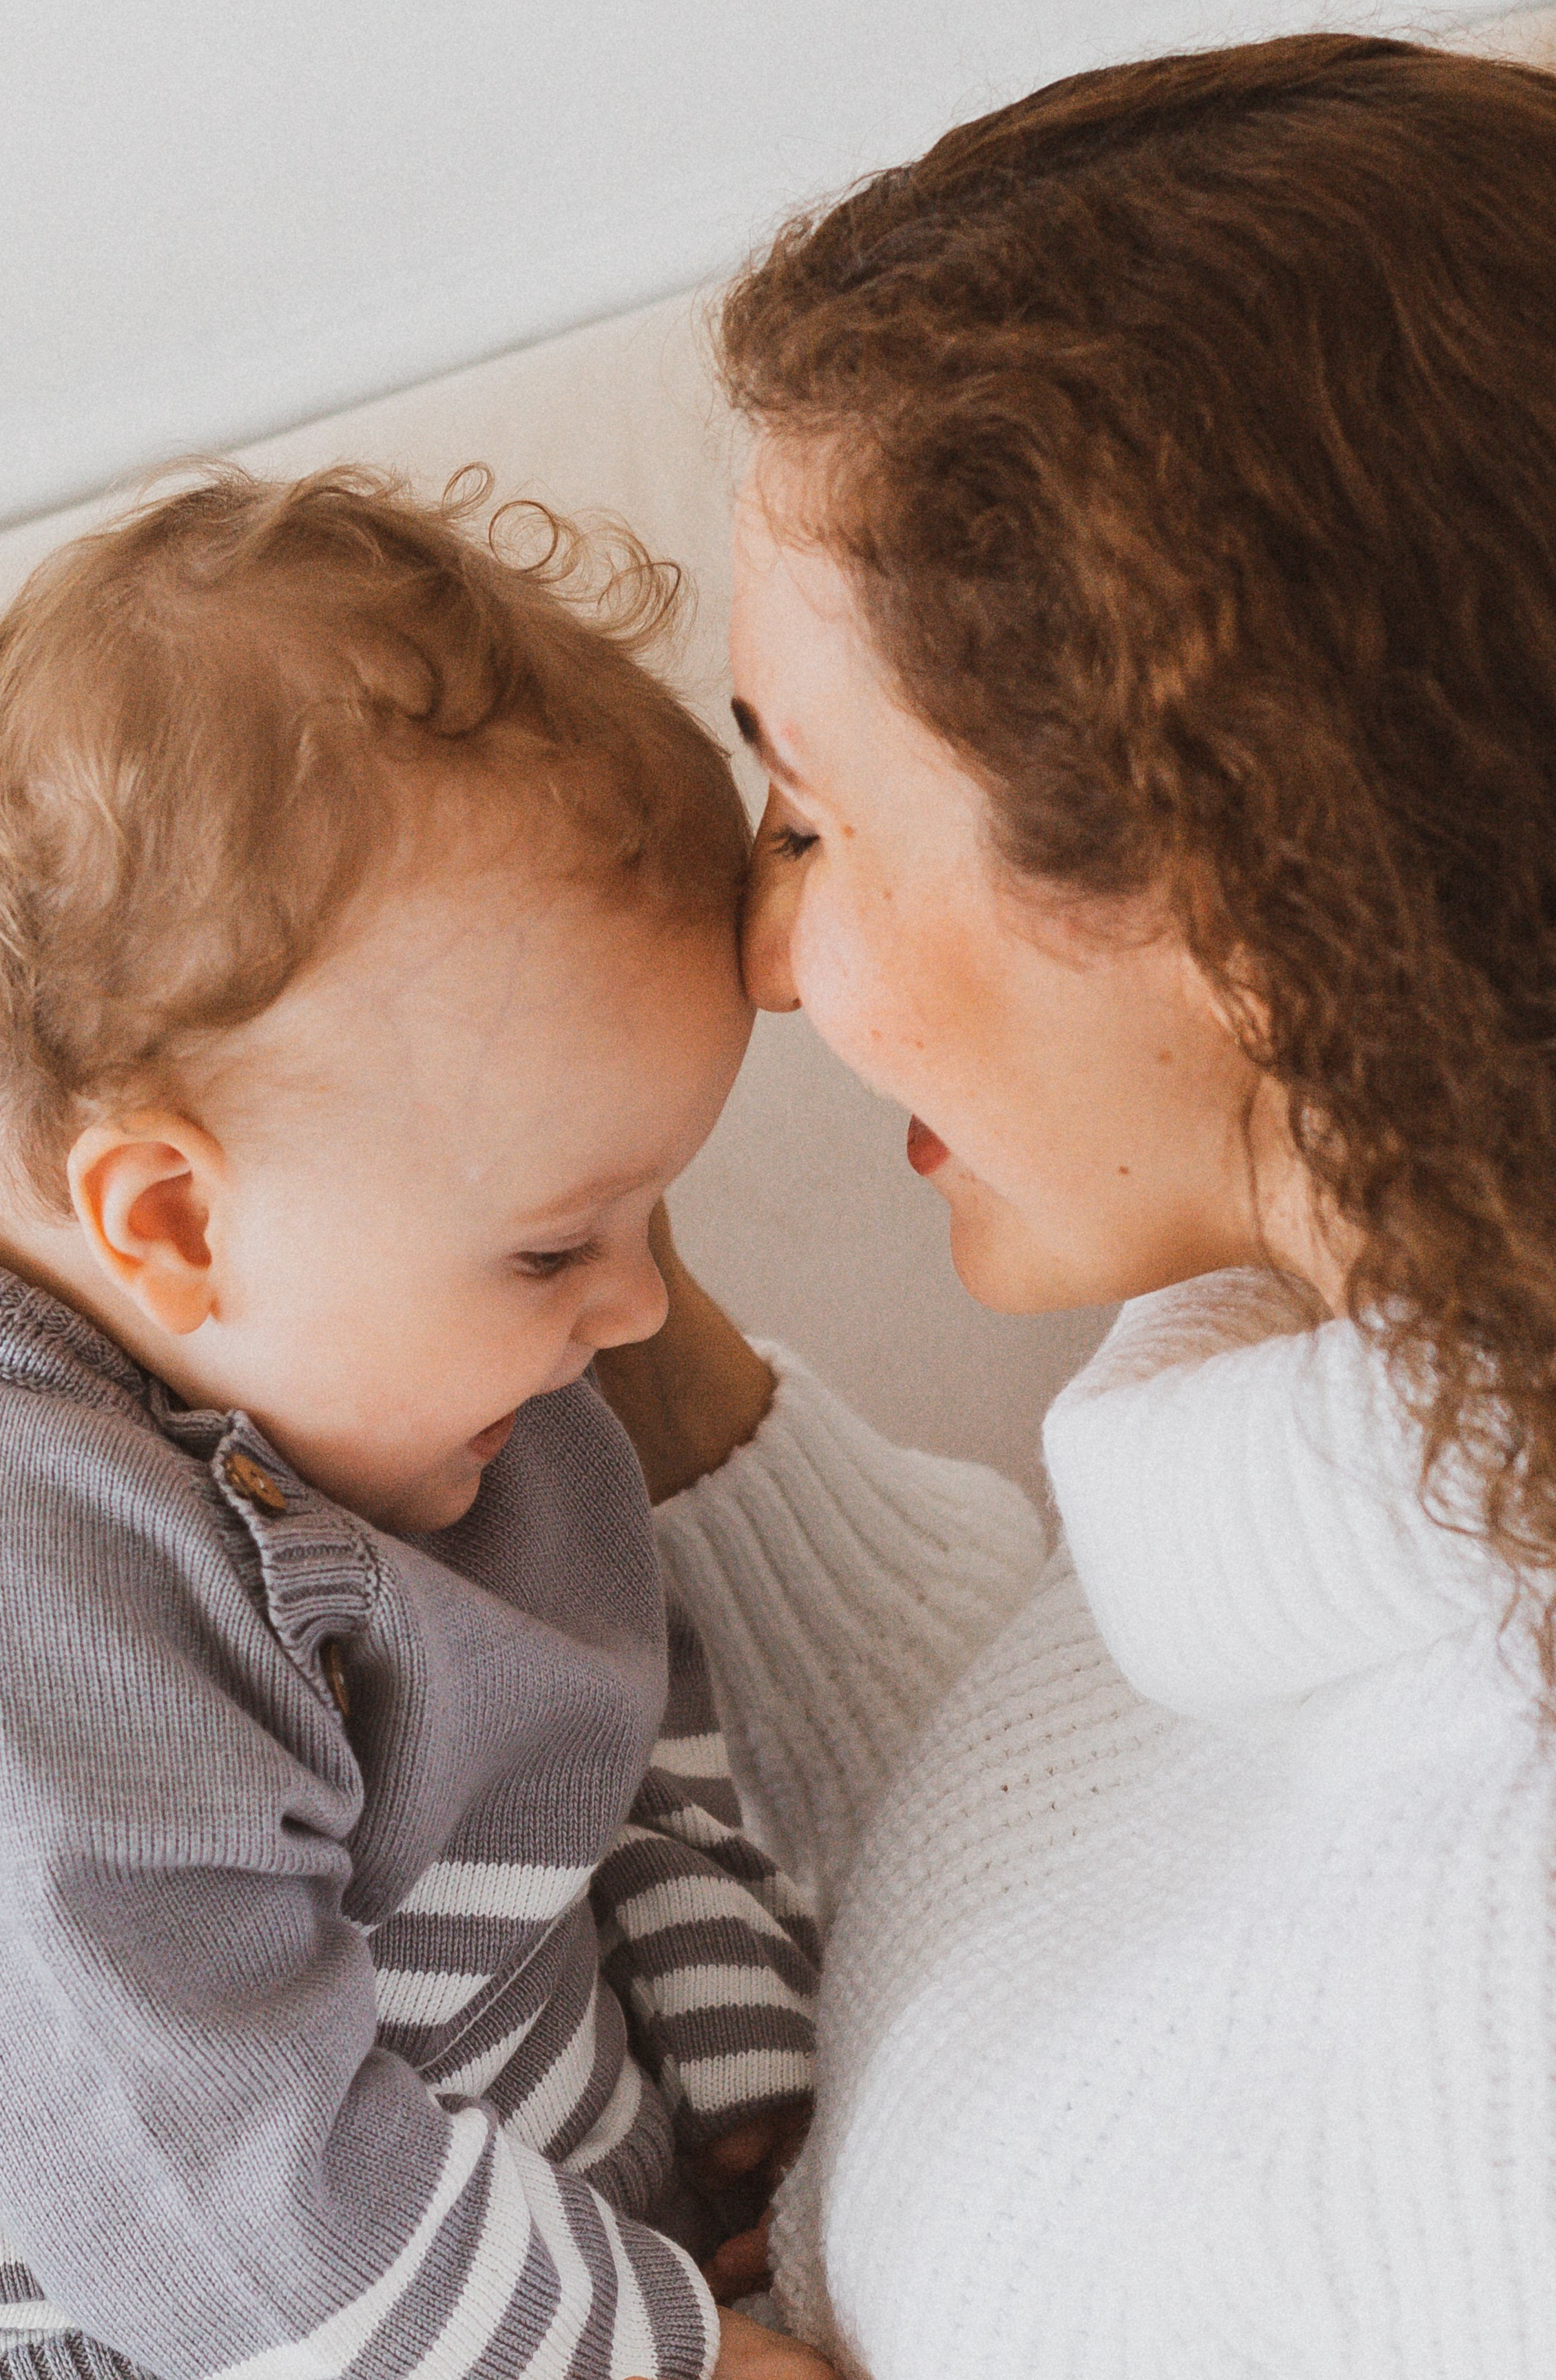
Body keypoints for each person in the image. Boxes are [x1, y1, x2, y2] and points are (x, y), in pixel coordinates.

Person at [594, 34, 1556, 2379]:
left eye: (810, 817)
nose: (758, 950)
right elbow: (1083, 1939)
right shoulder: (1379, 1424)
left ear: (1237, 878)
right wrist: (588, 1314)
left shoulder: (1491, 2087)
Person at [0, 468, 830, 2380]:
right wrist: (673, 2360)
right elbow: (219, 2197)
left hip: (577, 2255)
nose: (635, 1307)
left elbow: (614, 1739)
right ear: (174, 1220)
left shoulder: (447, 1400)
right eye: (552, 1246)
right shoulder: (23, 1593)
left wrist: (731, 2040)